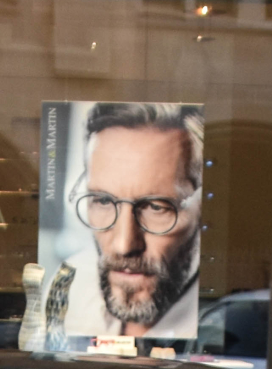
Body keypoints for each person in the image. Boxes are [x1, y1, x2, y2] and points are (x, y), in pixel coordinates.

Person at [58, 102, 203, 343]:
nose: (124, 245)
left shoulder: (218, 320)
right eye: (103, 201)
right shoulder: (71, 286)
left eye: (156, 207)